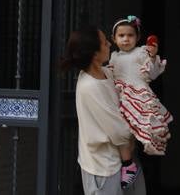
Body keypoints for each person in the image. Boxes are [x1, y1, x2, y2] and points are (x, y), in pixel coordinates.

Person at [61, 26, 146, 193]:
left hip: (124, 157)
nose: (109, 44)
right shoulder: (90, 86)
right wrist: (141, 126)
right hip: (104, 167)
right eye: (104, 42)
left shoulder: (106, 73)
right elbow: (119, 131)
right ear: (94, 54)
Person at [109, 16, 172, 157]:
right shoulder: (113, 56)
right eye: (121, 35)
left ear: (138, 38)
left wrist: (152, 56)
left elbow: (153, 74)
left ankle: (129, 163)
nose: (126, 39)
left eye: (130, 35)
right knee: (121, 132)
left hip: (138, 96)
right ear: (113, 39)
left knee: (134, 133)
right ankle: (125, 161)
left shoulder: (141, 52)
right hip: (119, 97)